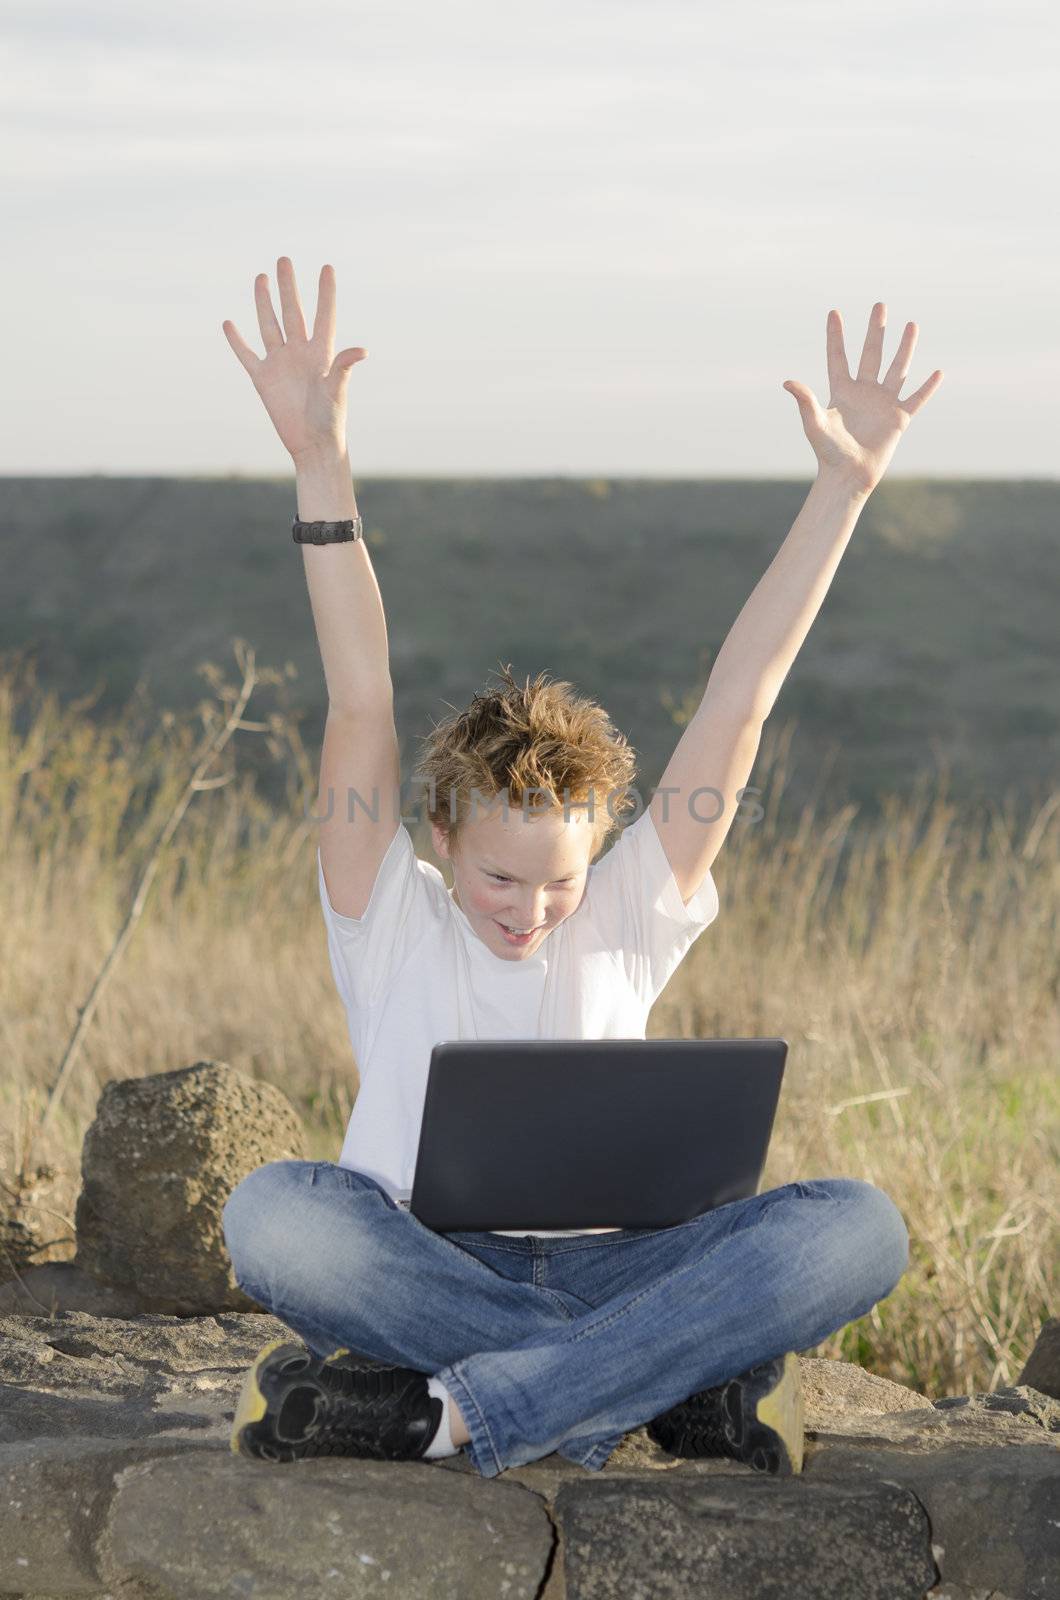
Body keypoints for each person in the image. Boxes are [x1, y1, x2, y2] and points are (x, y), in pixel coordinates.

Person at [219, 258, 939, 1478]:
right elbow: (360, 700)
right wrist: (318, 467)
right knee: (276, 1216)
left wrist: (843, 490)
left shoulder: (630, 906)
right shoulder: (385, 911)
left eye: (558, 881)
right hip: (423, 1261)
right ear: (440, 838)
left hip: (628, 1257)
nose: (531, 911)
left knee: (856, 1230)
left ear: (599, 849)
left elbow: (740, 699)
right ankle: (659, 1383)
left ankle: (446, 1412)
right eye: (500, 880)